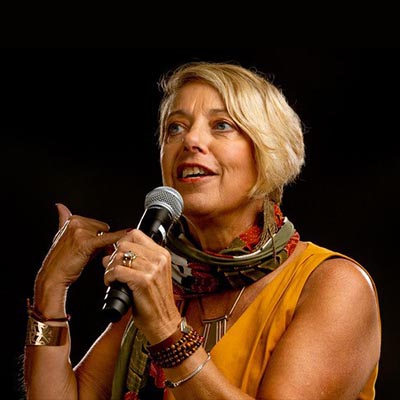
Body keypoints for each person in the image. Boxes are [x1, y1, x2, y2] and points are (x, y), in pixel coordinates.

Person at [23, 61, 381, 400]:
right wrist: (50, 290)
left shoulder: (336, 286)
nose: (190, 141)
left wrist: (167, 330)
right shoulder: (163, 282)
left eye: (222, 125)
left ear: (269, 149)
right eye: (174, 127)